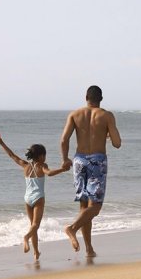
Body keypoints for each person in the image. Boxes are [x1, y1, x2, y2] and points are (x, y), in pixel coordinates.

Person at [60, 85, 121, 257]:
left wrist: (65, 159)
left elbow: (64, 140)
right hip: (97, 161)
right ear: (101, 98)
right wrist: (109, 132)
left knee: (84, 206)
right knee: (96, 207)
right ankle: (71, 229)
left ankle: (89, 249)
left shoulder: (74, 114)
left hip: (79, 161)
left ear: (86, 97)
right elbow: (117, 143)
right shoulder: (106, 115)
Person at [0, 131, 70, 261]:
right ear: (40, 156)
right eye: (44, 155)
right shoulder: (42, 166)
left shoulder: (25, 166)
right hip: (38, 198)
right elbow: (49, 173)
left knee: (33, 226)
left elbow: (12, 155)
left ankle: (36, 252)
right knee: (35, 226)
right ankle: (26, 237)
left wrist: (1, 142)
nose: (45, 158)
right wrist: (62, 169)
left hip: (27, 199)